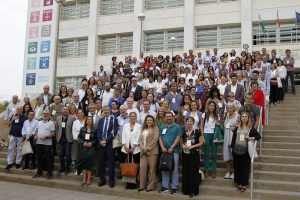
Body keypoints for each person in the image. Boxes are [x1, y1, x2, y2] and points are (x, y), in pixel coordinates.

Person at [231, 112, 261, 192]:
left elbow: (258, 136)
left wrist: (250, 138)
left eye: (245, 116)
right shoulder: (237, 128)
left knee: (245, 167)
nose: (244, 118)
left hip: (245, 150)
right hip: (236, 149)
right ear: (240, 118)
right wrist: (232, 147)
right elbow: (234, 138)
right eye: (243, 116)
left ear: (248, 118)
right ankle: (239, 183)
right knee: (237, 167)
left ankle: (244, 184)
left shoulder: (251, 128)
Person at [158, 112, 182, 194]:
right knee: (164, 169)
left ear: (173, 117)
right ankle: (165, 187)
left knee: (174, 169)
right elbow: (160, 138)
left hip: (174, 151)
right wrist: (162, 147)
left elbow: (178, 138)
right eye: (167, 116)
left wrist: (172, 147)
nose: (168, 118)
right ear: (165, 117)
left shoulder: (177, 127)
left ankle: (174, 187)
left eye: (170, 116)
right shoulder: (162, 127)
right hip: (164, 151)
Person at [181, 117, 204, 197]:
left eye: (191, 121)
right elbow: (181, 142)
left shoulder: (197, 132)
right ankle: (186, 190)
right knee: (186, 172)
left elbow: (201, 142)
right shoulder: (184, 132)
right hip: (185, 155)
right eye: (188, 121)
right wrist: (183, 146)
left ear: (193, 122)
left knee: (193, 173)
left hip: (194, 155)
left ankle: (193, 191)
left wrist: (193, 146)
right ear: (186, 123)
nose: (189, 122)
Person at [97, 106, 118, 188]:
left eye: (107, 110)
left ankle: (111, 180)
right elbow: (98, 131)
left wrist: (106, 141)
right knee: (101, 163)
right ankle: (102, 179)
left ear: (110, 111)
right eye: (105, 110)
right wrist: (101, 141)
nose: (106, 111)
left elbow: (114, 132)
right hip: (101, 144)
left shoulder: (114, 120)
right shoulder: (100, 120)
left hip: (109, 144)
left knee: (111, 163)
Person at [121, 112, 142, 190]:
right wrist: (125, 146)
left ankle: (133, 183)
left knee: (135, 166)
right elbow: (123, 136)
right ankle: (127, 183)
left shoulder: (139, 126)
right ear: (129, 117)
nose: (132, 117)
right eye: (131, 116)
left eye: (134, 116)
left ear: (136, 117)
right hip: (126, 149)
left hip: (135, 149)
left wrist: (133, 147)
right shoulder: (125, 125)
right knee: (126, 166)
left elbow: (139, 136)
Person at [33, 110, 55, 180]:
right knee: (39, 159)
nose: (45, 114)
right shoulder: (39, 122)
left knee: (48, 159)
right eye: (44, 113)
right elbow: (36, 131)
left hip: (47, 144)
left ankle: (49, 174)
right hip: (39, 143)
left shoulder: (51, 123)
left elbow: (53, 133)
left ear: (49, 115)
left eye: (46, 113)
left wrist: (46, 137)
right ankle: (39, 173)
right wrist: (35, 136)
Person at [139, 115, 159, 192]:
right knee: (142, 168)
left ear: (153, 121)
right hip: (143, 151)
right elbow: (140, 140)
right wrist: (143, 147)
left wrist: (147, 148)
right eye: (148, 120)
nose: (149, 121)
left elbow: (155, 139)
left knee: (152, 170)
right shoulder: (143, 129)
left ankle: (150, 186)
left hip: (152, 152)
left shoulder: (155, 129)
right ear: (145, 121)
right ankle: (141, 186)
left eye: (150, 120)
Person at [201, 101, 220, 178]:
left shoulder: (217, 115)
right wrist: (202, 135)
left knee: (214, 154)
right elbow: (201, 126)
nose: (212, 107)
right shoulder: (204, 114)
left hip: (214, 135)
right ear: (208, 106)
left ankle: (213, 170)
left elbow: (218, 127)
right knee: (206, 154)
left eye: (213, 106)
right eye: (211, 105)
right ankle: (206, 170)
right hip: (206, 134)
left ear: (215, 107)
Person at [76, 116, 97, 186]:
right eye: (88, 119)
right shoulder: (83, 129)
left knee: (89, 163)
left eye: (91, 120)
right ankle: (84, 179)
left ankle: (88, 179)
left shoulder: (94, 129)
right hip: (83, 148)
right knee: (84, 164)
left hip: (91, 148)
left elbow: (96, 139)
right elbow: (79, 137)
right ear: (86, 121)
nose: (90, 121)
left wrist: (92, 143)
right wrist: (83, 142)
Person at [56, 106, 76, 175]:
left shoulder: (72, 118)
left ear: (68, 111)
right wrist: (57, 138)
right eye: (64, 109)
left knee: (68, 153)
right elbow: (57, 129)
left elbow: (74, 129)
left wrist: (73, 138)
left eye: (66, 109)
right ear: (62, 110)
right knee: (61, 154)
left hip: (68, 139)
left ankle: (67, 168)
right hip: (60, 138)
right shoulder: (58, 118)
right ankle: (62, 167)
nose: (65, 110)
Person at [223, 103, 239, 179]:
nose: (229, 109)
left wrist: (235, 127)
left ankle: (234, 172)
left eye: (230, 108)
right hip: (226, 137)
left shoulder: (237, 116)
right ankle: (228, 172)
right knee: (227, 155)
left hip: (233, 137)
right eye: (228, 108)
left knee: (234, 155)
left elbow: (241, 125)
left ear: (233, 108)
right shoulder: (226, 116)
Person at [72, 109, 86, 174]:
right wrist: (77, 139)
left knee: (84, 155)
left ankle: (83, 170)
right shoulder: (75, 122)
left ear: (83, 113)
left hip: (84, 141)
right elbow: (73, 131)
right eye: (78, 113)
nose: (80, 114)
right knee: (77, 155)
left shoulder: (86, 121)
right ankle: (78, 170)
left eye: (81, 113)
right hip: (76, 141)